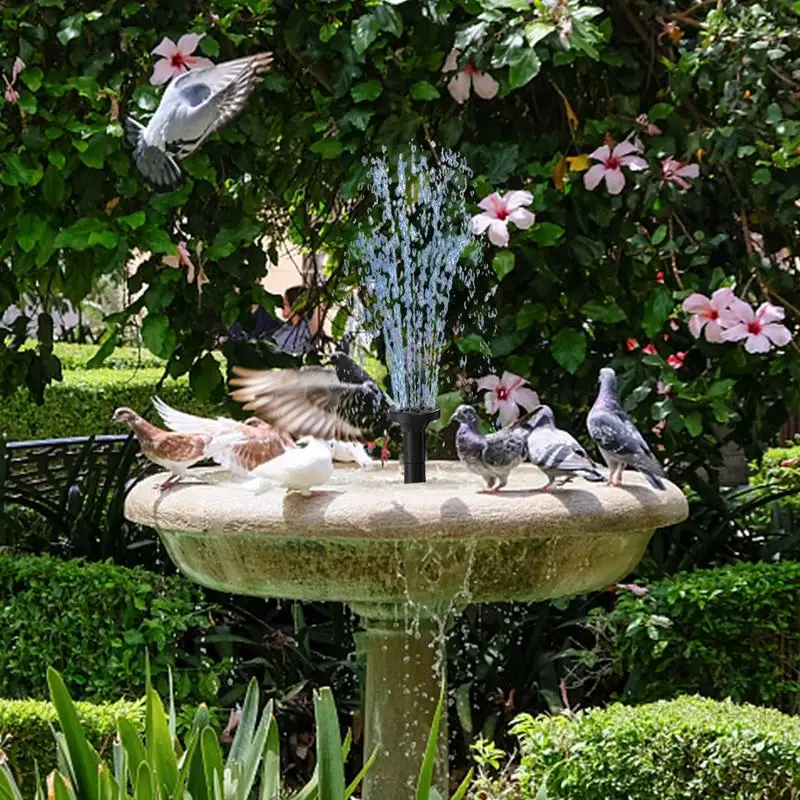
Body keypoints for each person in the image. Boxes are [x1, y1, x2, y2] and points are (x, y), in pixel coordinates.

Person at [272, 285, 323, 356]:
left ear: (295, 306)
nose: (282, 306)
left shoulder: (305, 329)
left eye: (285, 304)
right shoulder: (284, 327)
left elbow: (318, 314)